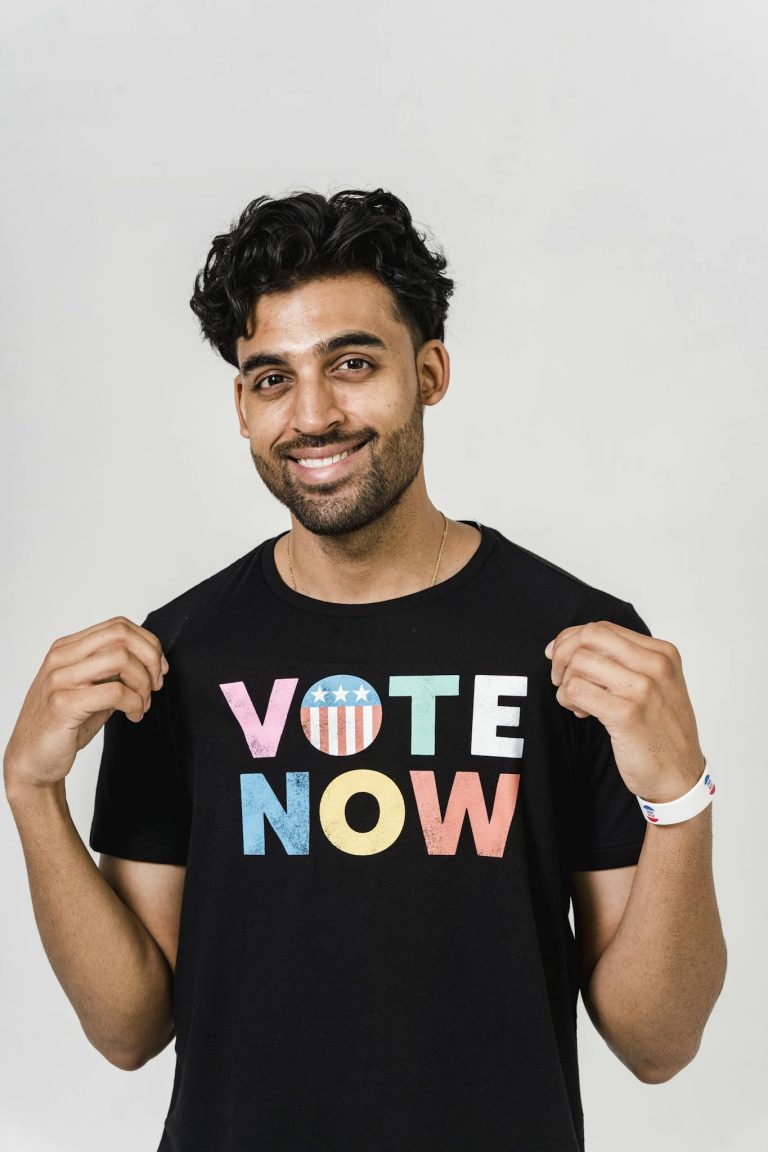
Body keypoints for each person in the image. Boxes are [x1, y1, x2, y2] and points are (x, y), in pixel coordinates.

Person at [3, 188, 726, 1152]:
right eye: (272, 378)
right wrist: (30, 787)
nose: (313, 415)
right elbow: (131, 1029)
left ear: (429, 372)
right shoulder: (177, 656)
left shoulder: (575, 646)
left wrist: (681, 798)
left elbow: (659, 1041)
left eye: (351, 364)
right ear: (241, 404)